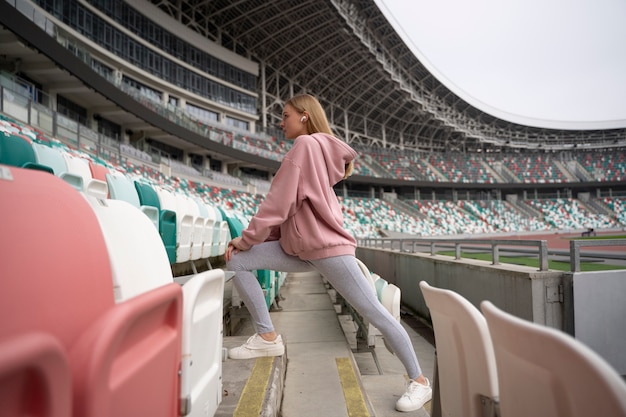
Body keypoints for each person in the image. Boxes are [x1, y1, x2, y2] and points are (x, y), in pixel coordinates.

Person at [225, 94, 432, 412]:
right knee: (239, 261)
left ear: (305, 116)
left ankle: (419, 381)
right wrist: (253, 244)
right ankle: (267, 338)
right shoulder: (313, 150)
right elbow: (292, 208)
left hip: (326, 249)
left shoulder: (305, 147)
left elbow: (278, 203)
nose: (281, 122)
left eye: (286, 115)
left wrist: (247, 238)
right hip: (299, 249)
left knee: (375, 312)